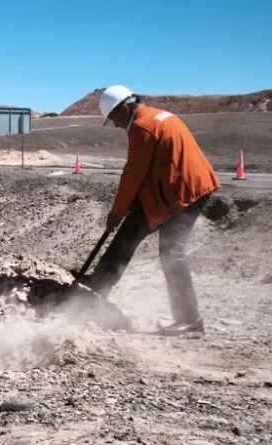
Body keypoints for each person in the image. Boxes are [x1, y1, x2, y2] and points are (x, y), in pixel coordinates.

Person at [85, 85, 220, 336]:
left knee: (172, 252)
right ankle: (96, 289)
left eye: (113, 117)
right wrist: (128, 208)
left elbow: (133, 174)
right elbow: (151, 165)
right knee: (130, 232)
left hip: (184, 193)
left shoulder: (142, 127)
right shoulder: (156, 116)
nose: (114, 124)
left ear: (124, 108)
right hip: (172, 188)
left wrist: (117, 211)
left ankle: (190, 320)